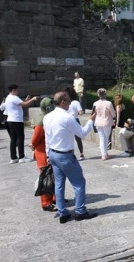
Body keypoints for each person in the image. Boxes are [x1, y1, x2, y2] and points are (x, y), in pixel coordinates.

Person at [43, 91, 98, 224]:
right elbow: (82, 133)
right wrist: (90, 121)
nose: (70, 103)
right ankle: (80, 211)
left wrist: (47, 154)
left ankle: (62, 212)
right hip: (65, 155)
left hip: (53, 153)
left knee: (59, 184)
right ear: (62, 102)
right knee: (79, 183)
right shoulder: (67, 118)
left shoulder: (47, 117)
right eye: (68, 101)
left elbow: (47, 138)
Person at [29, 97, 57, 212]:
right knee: (46, 177)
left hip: (50, 151)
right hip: (42, 152)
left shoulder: (49, 117)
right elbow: (35, 139)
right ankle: (46, 202)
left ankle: (54, 198)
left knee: (54, 176)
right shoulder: (41, 120)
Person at [4, 84, 38, 164]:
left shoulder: (8, 98)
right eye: (17, 90)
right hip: (16, 120)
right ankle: (22, 157)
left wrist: (27, 99)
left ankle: (13, 157)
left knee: (13, 139)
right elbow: (25, 105)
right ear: (13, 90)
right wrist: (33, 99)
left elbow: (22, 103)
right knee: (20, 138)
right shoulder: (14, 97)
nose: (18, 91)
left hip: (10, 120)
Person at [92, 88, 115, 160]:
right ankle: (104, 154)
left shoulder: (95, 103)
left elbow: (93, 113)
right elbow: (113, 114)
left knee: (102, 138)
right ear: (105, 94)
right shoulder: (109, 103)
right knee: (106, 138)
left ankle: (104, 153)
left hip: (98, 122)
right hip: (107, 122)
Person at [65, 87, 85, 160]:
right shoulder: (76, 102)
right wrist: (79, 112)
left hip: (67, 120)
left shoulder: (65, 103)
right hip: (75, 120)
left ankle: (71, 153)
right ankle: (81, 153)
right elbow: (80, 112)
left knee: (69, 138)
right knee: (78, 138)